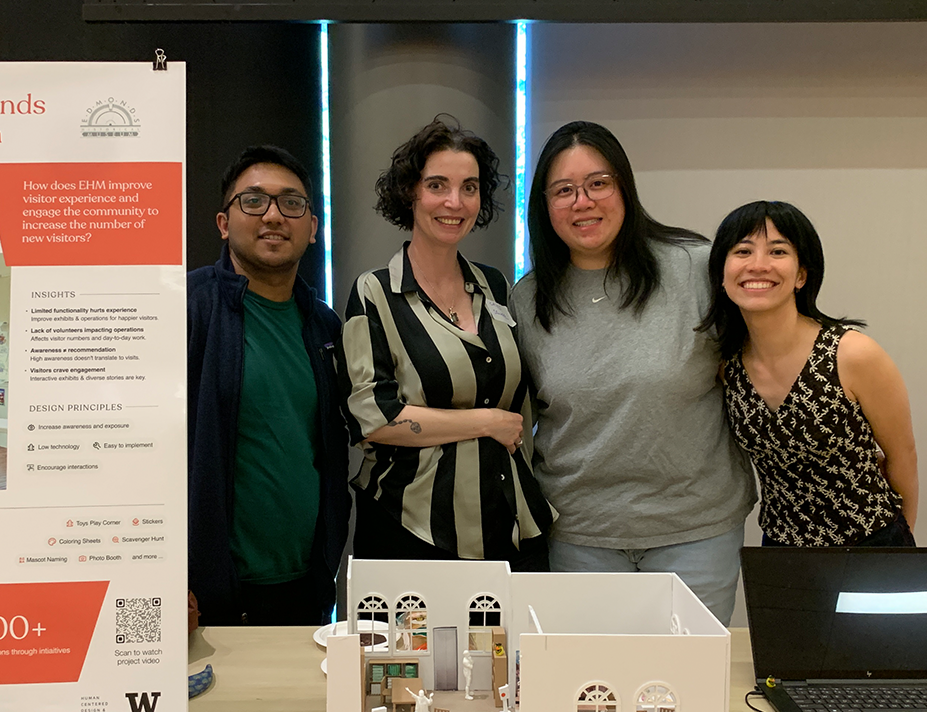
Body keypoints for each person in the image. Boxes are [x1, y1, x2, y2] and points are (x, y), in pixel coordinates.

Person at [508, 121, 755, 624]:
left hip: (696, 532)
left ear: (625, 187)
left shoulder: (696, 268)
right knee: (591, 694)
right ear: (544, 206)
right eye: (564, 190)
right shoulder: (528, 299)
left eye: (598, 183)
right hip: (582, 538)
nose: (583, 201)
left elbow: (766, 363)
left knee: (688, 693)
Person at [341, 117, 553, 572]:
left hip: (510, 523)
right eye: (437, 185)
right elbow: (373, 420)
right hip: (413, 529)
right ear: (410, 193)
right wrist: (485, 422)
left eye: (469, 187)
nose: (454, 202)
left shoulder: (495, 286)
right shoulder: (375, 293)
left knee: (512, 646)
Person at [187, 145, 350, 626]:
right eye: (254, 201)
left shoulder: (324, 326)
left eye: (292, 203)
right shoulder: (188, 309)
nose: (274, 215)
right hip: (211, 595)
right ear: (223, 222)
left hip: (307, 587)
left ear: (313, 228)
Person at [702, 200, 918, 547]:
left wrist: (900, 552)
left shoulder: (852, 354)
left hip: (871, 543)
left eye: (777, 251)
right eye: (743, 250)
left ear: (802, 274)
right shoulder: (727, 366)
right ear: (723, 273)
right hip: (781, 551)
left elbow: (901, 457)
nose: (758, 265)